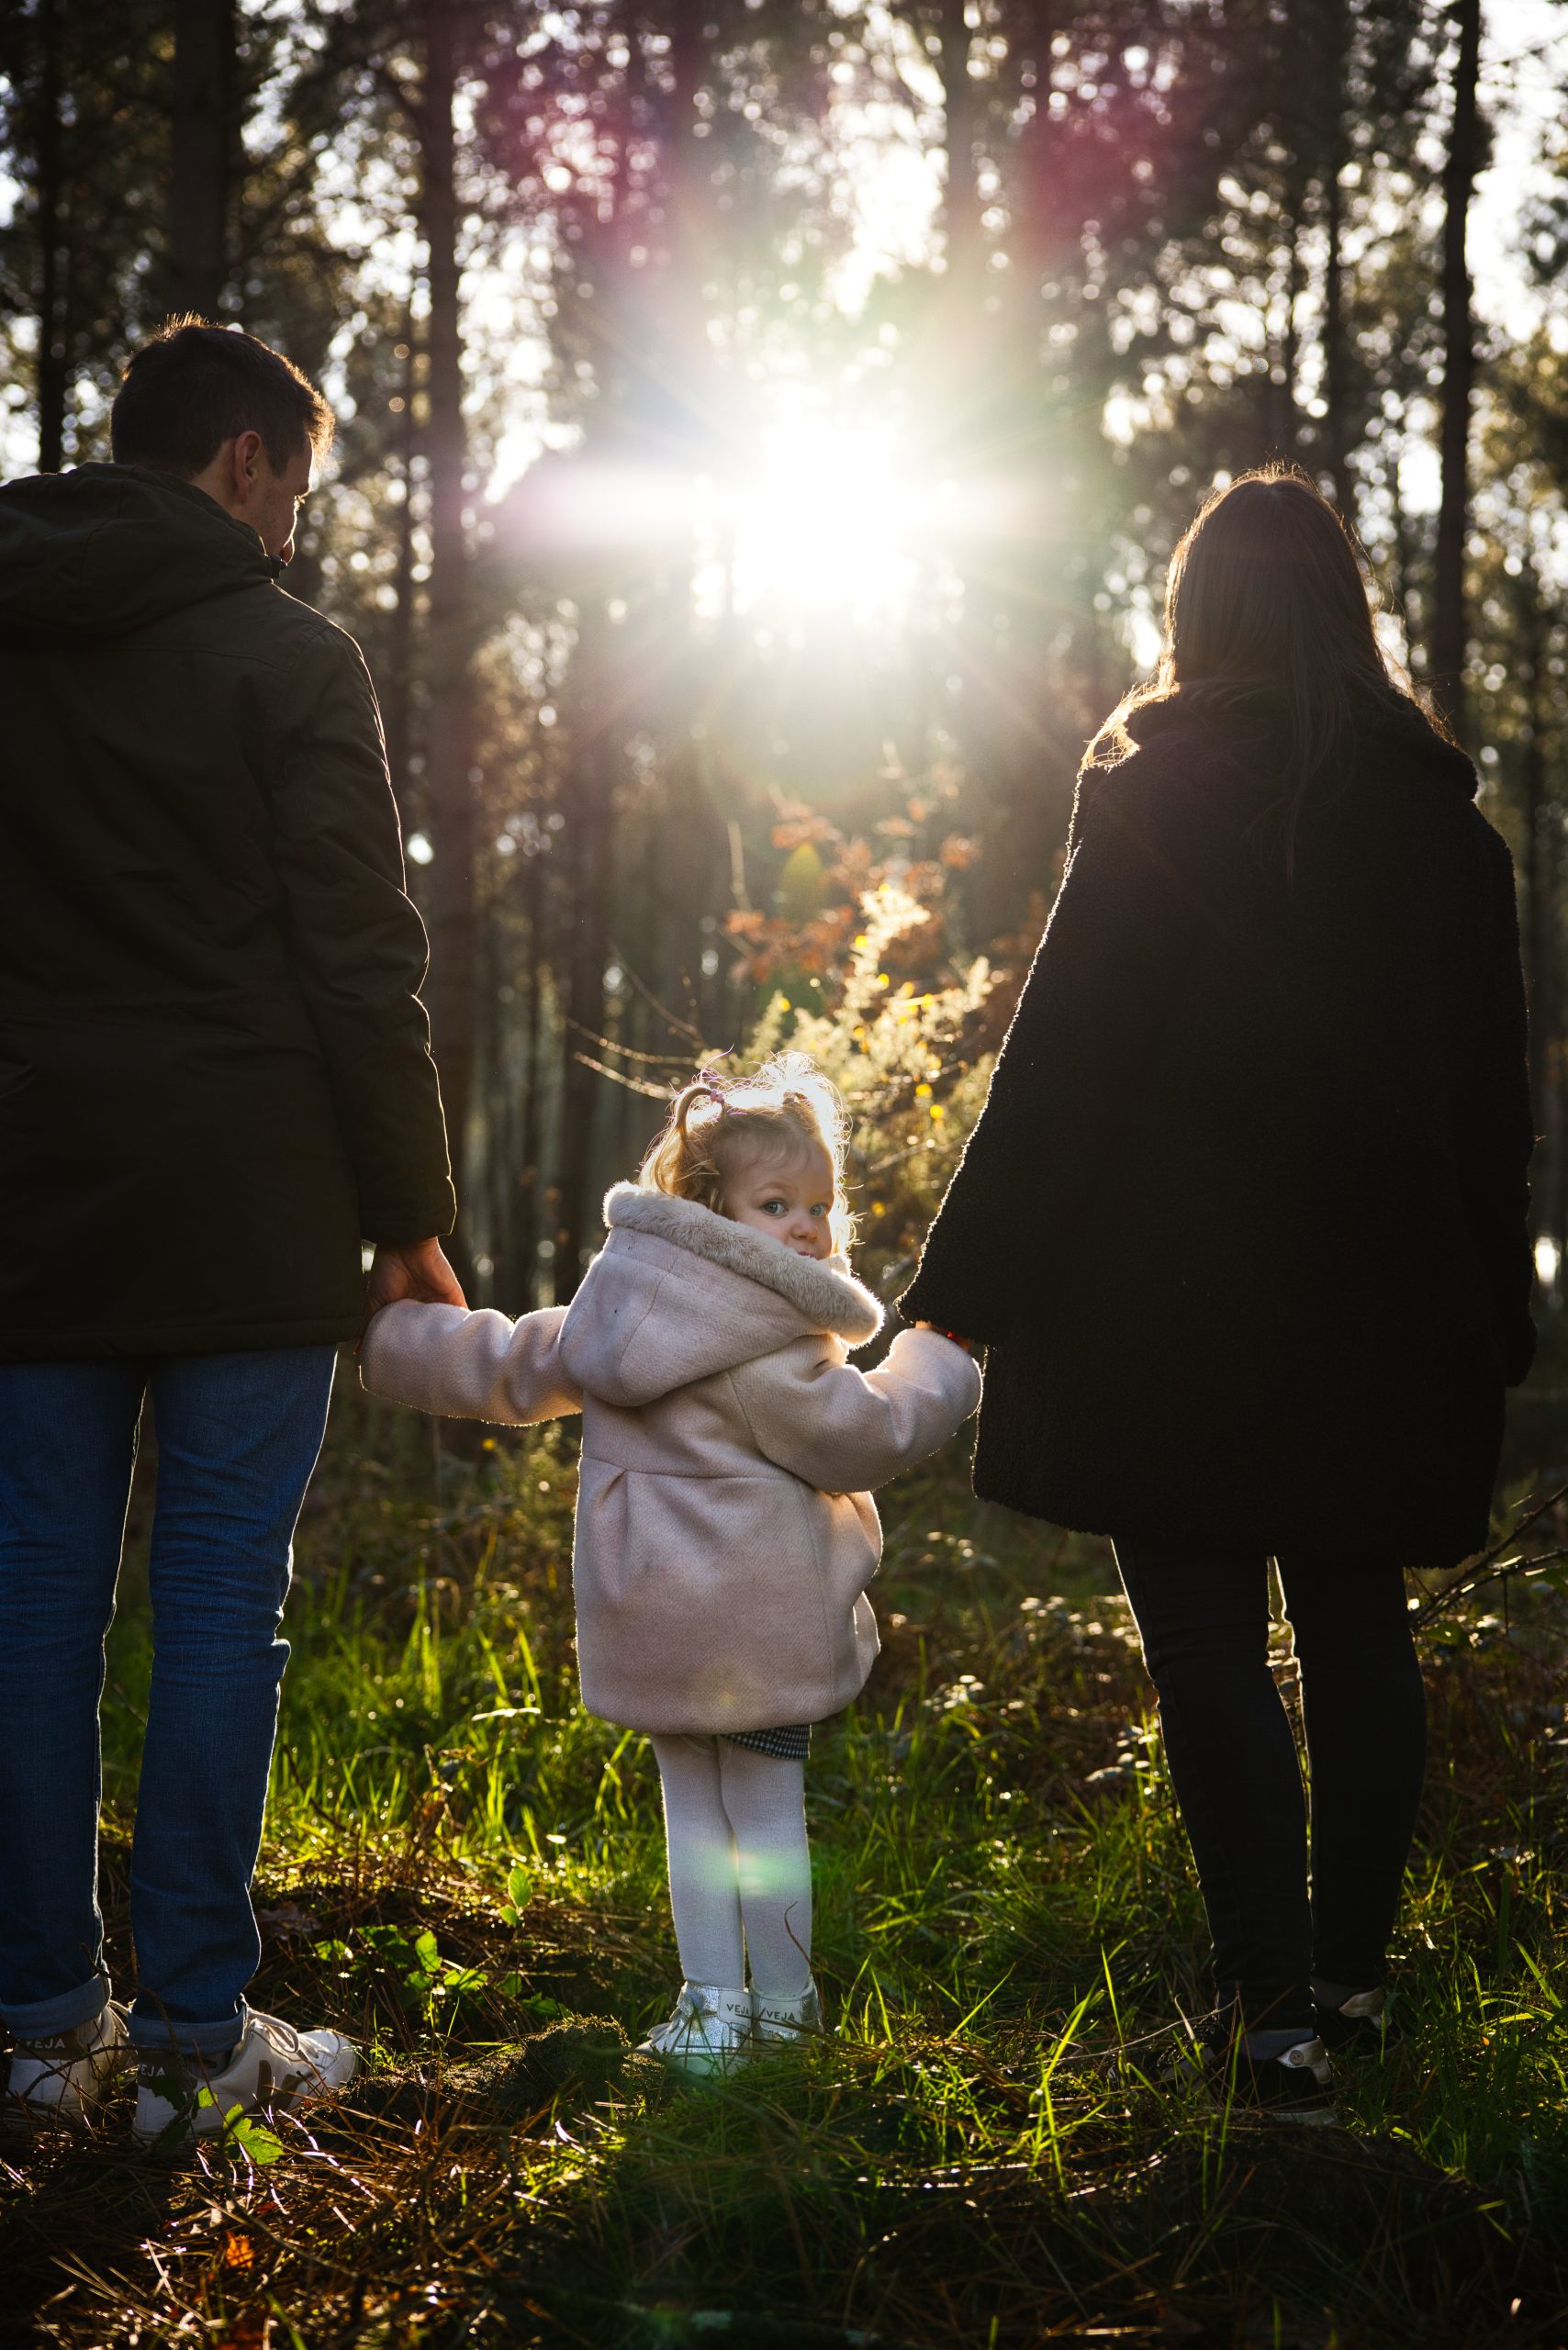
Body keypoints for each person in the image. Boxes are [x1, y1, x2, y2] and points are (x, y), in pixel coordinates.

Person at [901, 468, 1535, 2121]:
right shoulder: (1451, 838)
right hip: (1385, 1313)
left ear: (1195, 618)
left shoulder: (1159, 796)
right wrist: (1495, 1314)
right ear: (1347, 615)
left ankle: (1271, 2021)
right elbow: (1497, 1109)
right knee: (1356, 1629)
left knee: (1203, 1640)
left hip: (1163, 1314)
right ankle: (1350, 1986)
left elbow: (1064, 1064)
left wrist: (958, 1295)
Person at [0, 319, 463, 2145]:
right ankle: (195, 2045)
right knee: (213, 1602)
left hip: (29, 1199)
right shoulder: (287, 653)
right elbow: (360, 952)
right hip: (251, 1200)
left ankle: (37, 2032)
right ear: (245, 459)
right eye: (296, 490)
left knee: (31, 1597)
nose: (291, 530)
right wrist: (409, 1211)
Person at [362, 1054, 980, 2074]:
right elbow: (866, 1435)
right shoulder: (769, 1343)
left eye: (819, 1205)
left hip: (650, 1620)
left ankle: (710, 2010)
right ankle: (783, 2013)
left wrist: (392, 1333)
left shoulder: (618, 1308)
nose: (806, 1227)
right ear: (707, 1205)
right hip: (756, 1626)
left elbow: (507, 1362)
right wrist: (939, 1358)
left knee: (692, 1812)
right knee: (764, 1815)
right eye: (775, 1203)